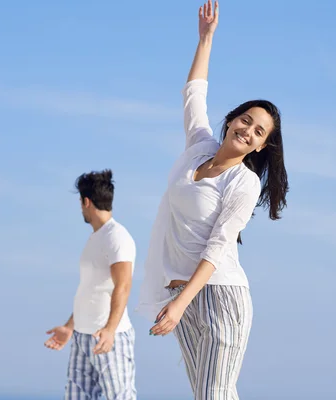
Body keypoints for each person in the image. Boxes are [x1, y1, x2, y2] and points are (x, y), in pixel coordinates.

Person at [136, 1, 289, 399]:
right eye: (246, 120)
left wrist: (181, 305)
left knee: (213, 395)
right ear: (232, 119)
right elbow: (193, 95)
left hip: (220, 297)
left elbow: (219, 247)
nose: (248, 131)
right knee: (212, 394)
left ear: (260, 146)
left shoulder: (244, 183)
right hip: (179, 292)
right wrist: (205, 39)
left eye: (258, 132)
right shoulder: (198, 148)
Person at [45, 170, 137, 400]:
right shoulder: (96, 238)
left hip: (106, 337)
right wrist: (69, 326)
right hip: (82, 335)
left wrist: (110, 330)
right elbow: (91, 291)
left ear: (86, 202)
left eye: (80, 202)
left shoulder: (117, 237)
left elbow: (123, 285)